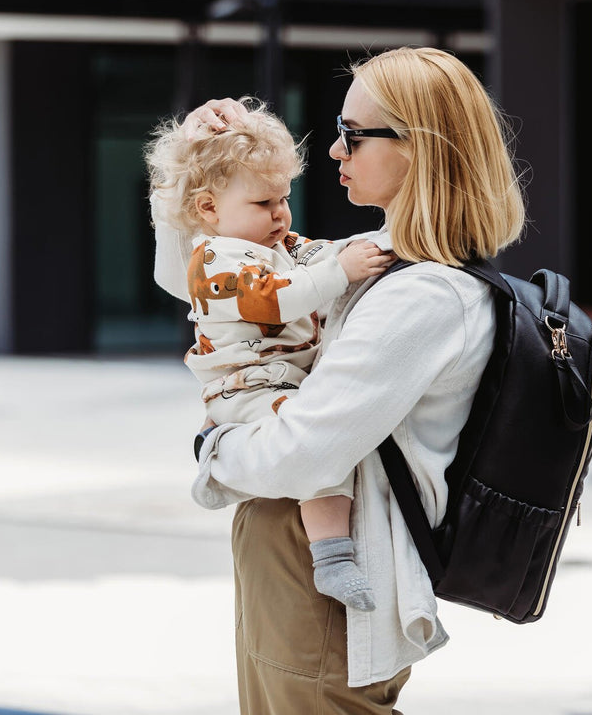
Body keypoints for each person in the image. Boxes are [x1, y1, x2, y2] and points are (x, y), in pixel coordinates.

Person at [178, 47, 525, 714]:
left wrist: (213, 452)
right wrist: (201, 174)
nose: (336, 151)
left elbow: (300, 453)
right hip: (307, 561)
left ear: (419, 149)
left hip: (321, 579)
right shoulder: (388, 264)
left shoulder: (422, 295)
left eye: (353, 134)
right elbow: (208, 285)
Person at [147, 99, 394, 612]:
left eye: (284, 198)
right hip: (246, 388)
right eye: (264, 204)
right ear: (209, 210)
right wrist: (343, 270)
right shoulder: (214, 259)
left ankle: (330, 549)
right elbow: (277, 296)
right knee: (317, 443)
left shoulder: (274, 243)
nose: (280, 214)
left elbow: (320, 253)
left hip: (280, 381)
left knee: (323, 443)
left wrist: (373, 247)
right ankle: (331, 555)